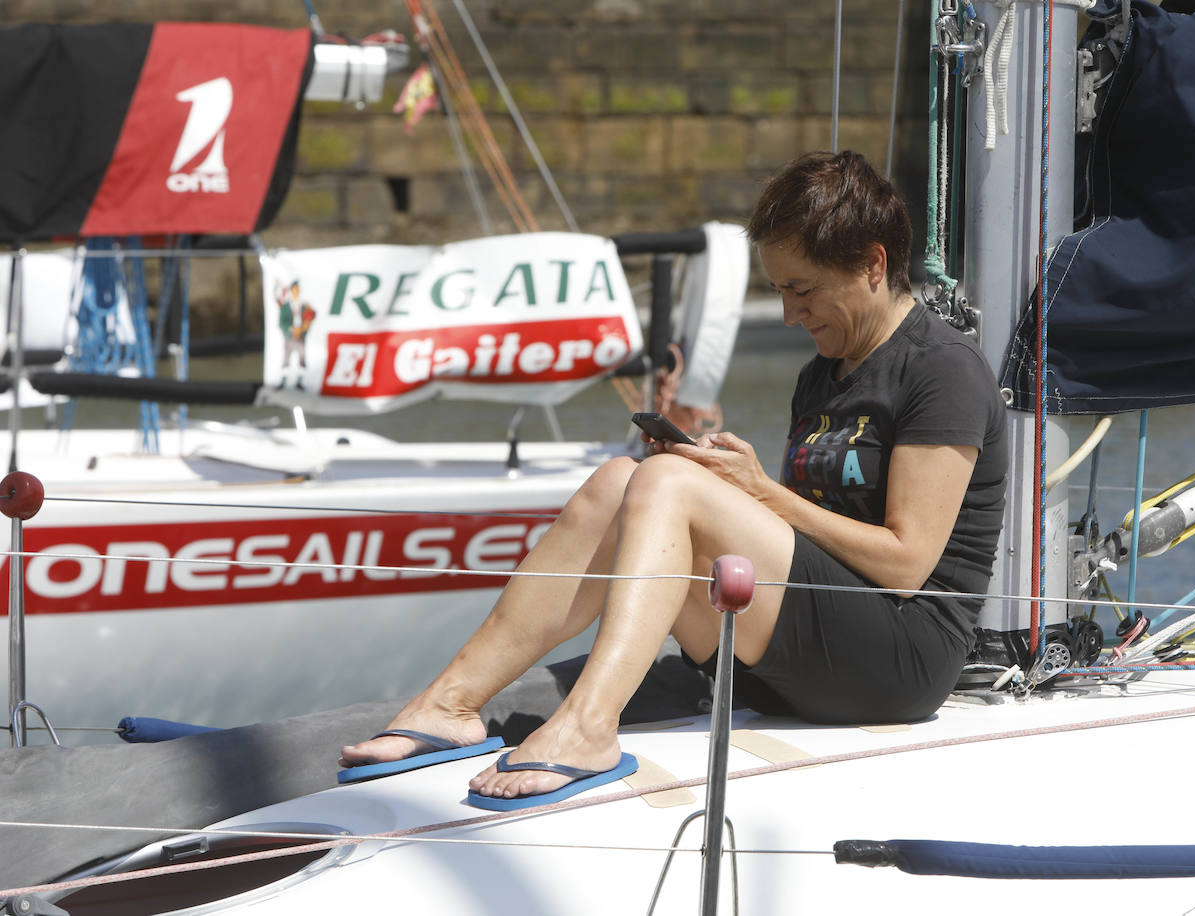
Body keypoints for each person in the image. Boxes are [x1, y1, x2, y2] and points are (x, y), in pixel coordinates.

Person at [339, 150, 1008, 807]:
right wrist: (722, 480)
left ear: (872, 265)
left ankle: (589, 726)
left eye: (803, 290)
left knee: (665, 484)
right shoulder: (821, 374)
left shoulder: (940, 368)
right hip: (802, 652)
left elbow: (905, 565)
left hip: (897, 663)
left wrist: (756, 491)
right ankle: (450, 703)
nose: (789, 315)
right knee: (620, 481)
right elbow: (801, 540)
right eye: (780, 291)